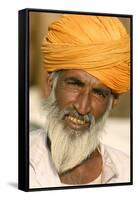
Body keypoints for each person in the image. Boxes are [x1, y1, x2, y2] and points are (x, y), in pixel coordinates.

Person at [29, 14, 130, 188]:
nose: (82, 108)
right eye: (75, 84)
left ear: (113, 102)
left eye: (98, 93)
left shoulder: (127, 171)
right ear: (50, 83)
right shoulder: (12, 158)